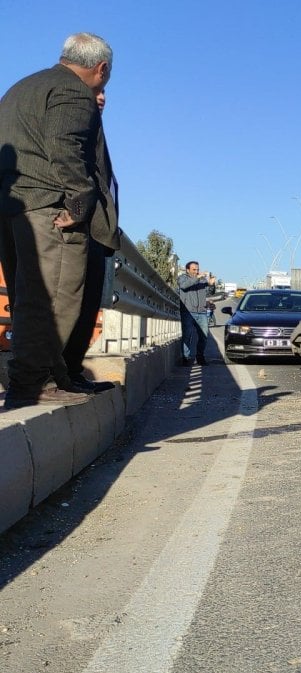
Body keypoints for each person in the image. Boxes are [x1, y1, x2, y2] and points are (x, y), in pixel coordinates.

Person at [0, 33, 118, 409]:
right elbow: (65, 148)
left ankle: (54, 377)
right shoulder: (73, 91)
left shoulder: (23, 87)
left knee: (28, 298)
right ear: (101, 69)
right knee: (53, 299)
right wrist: (79, 204)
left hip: (13, 207)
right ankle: (34, 384)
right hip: (49, 210)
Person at [60, 86, 118, 393]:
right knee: (71, 300)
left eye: (104, 92)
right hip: (79, 225)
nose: (102, 97)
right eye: (95, 90)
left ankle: (71, 371)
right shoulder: (70, 118)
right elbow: (68, 163)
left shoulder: (93, 124)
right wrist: (76, 210)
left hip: (95, 228)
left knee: (88, 302)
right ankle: (58, 376)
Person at [177, 261, 216, 366]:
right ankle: (186, 358)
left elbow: (210, 292)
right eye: (194, 269)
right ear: (187, 270)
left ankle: (200, 357)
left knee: (204, 336)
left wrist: (212, 284)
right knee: (187, 336)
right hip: (188, 312)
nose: (196, 271)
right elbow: (184, 286)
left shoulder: (201, 279)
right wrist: (198, 277)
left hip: (202, 312)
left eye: (197, 269)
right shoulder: (182, 278)